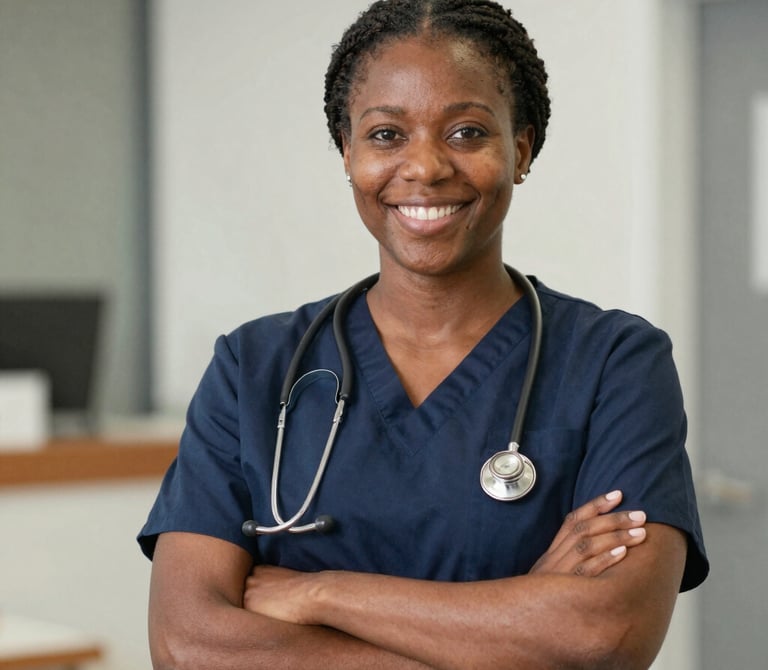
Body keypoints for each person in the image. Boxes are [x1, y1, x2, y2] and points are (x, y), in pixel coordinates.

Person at [138, 1, 708, 668]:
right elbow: (186, 643)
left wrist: (322, 595)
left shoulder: (614, 363)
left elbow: (604, 636)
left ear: (520, 150)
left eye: (467, 132)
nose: (427, 166)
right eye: (386, 135)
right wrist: (522, 612)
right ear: (347, 152)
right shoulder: (254, 369)